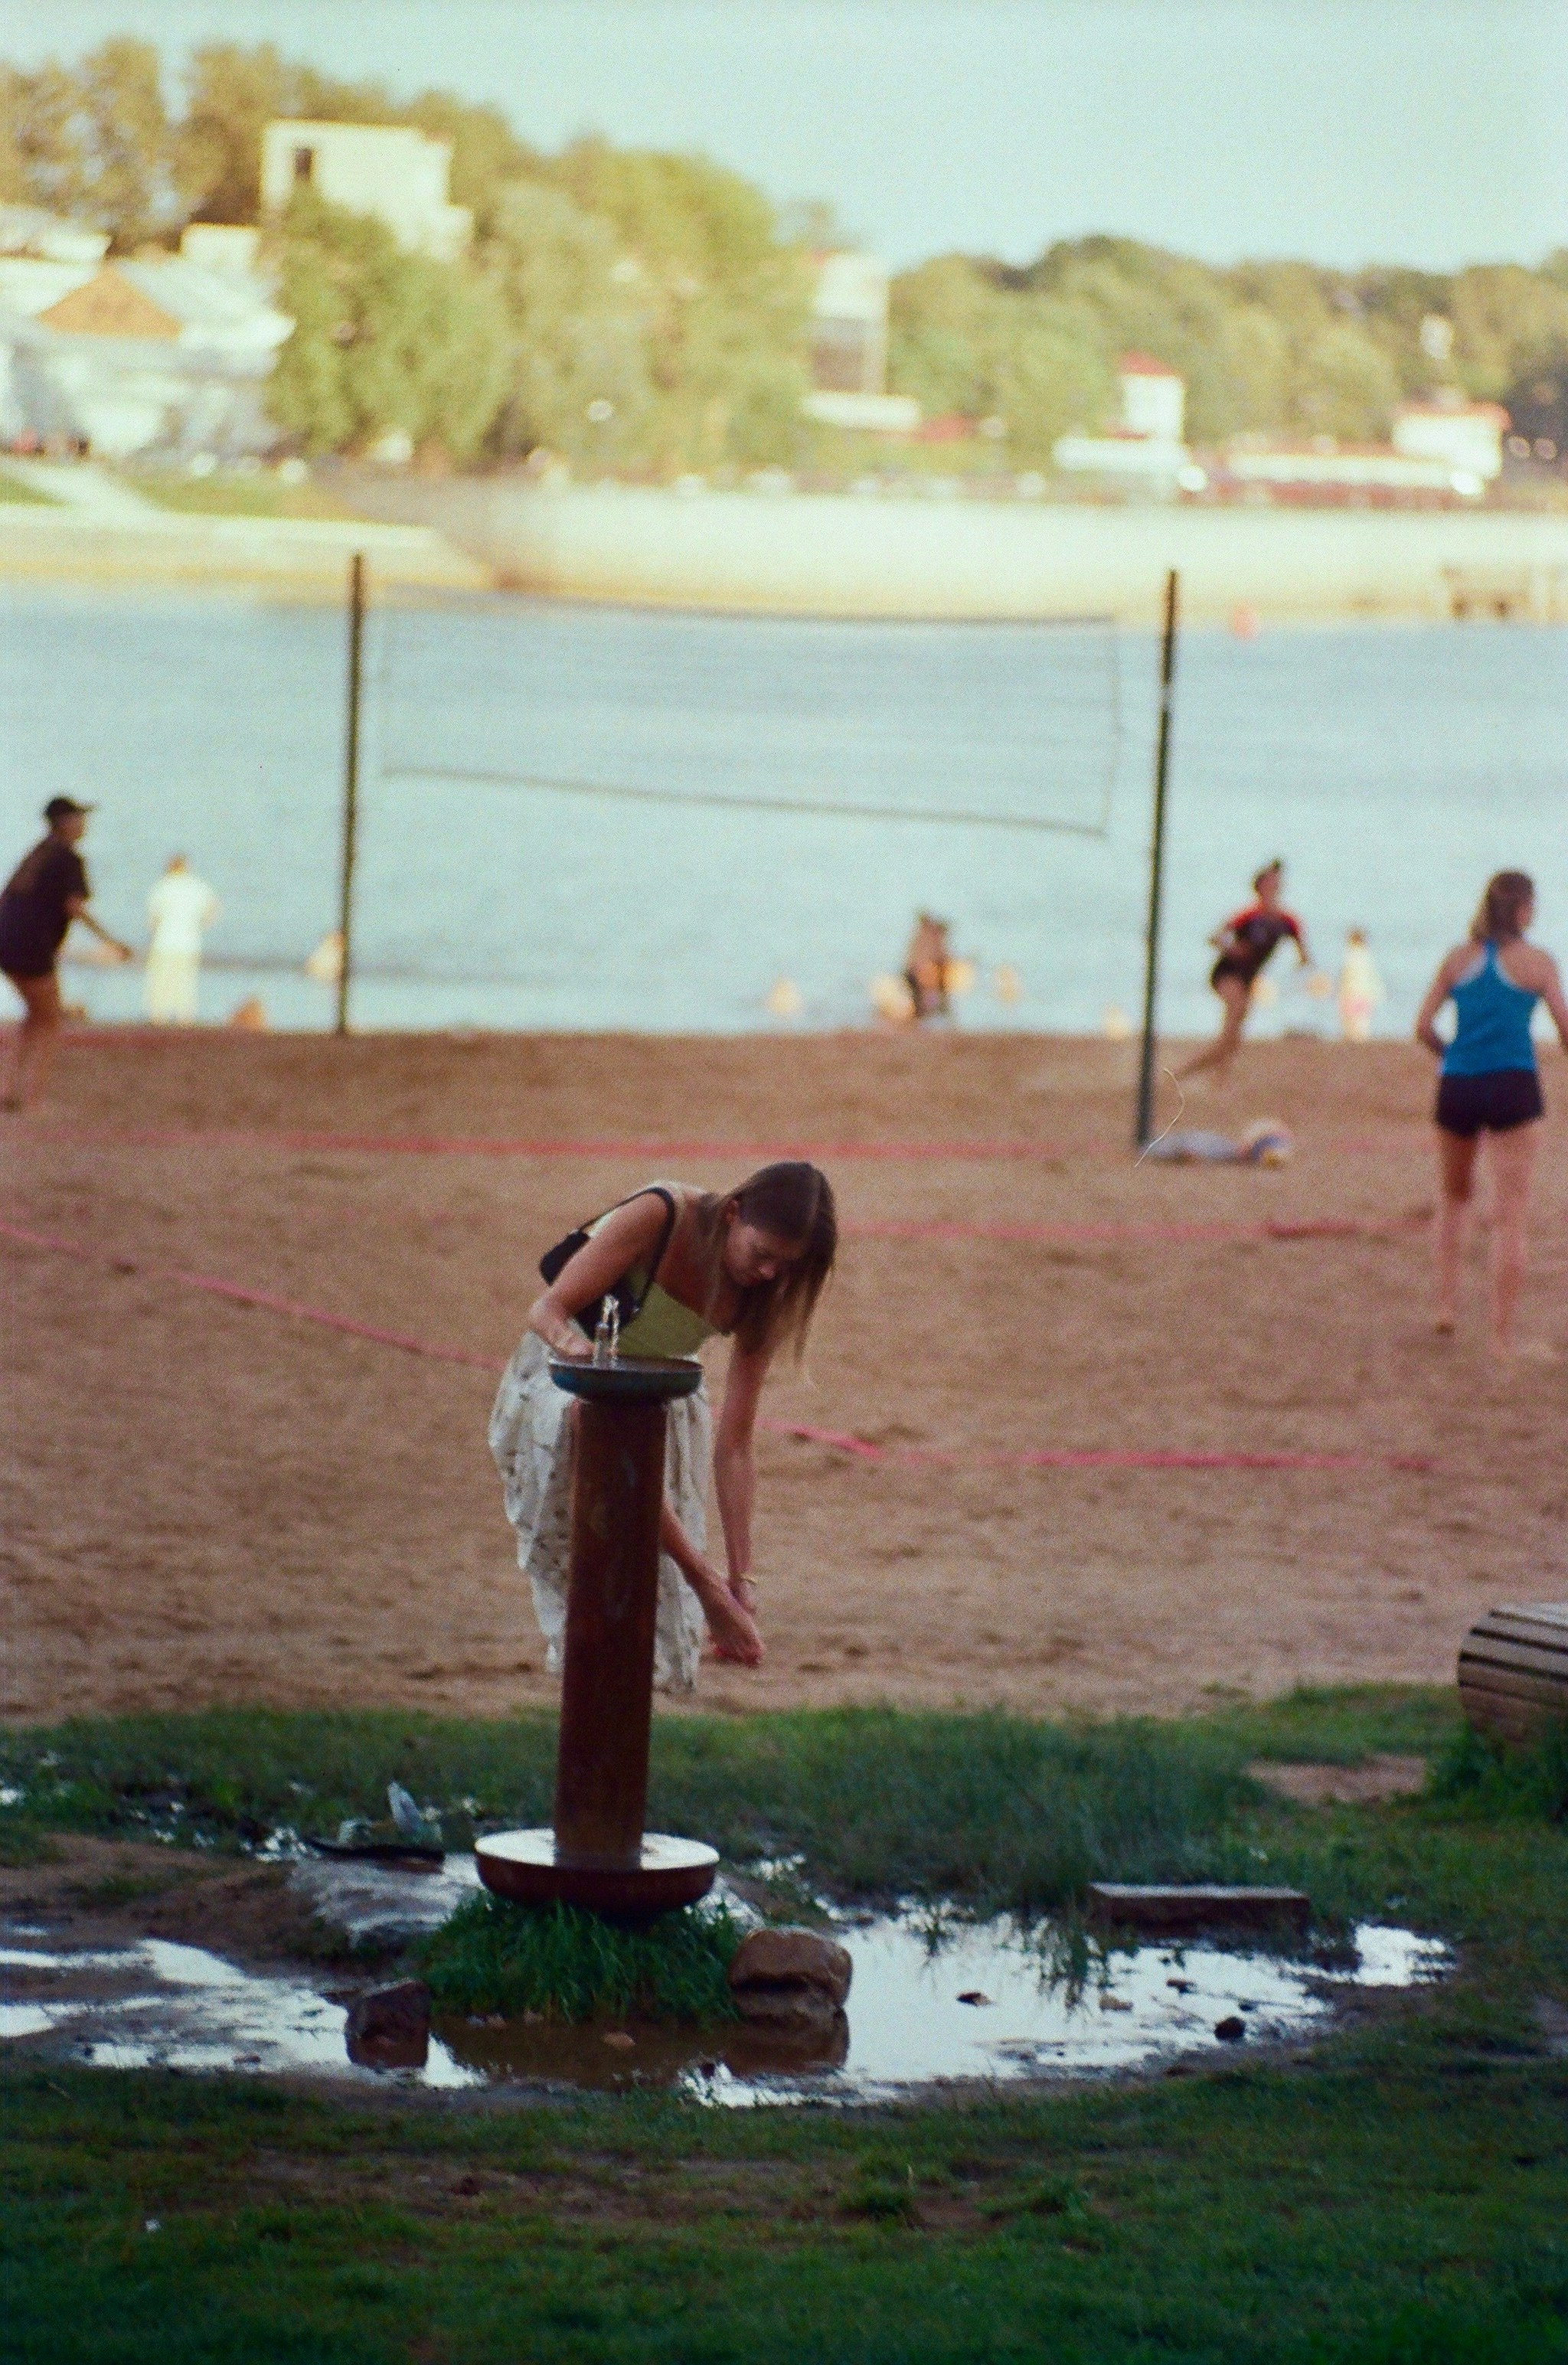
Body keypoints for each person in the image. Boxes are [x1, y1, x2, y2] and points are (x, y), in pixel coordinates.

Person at [489, 1161, 838, 1690]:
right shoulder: (661, 1214)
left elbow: (736, 1447)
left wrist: (742, 1577)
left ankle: (710, 1595)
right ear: (733, 1212)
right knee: (593, 1422)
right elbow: (548, 1309)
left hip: (653, 1396)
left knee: (652, 1602)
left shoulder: (767, 1291)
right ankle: (705, 1589)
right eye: (762, 1253)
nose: (769, 1273)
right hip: (561, 1382)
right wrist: (583, 1358)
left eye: (786, 1266)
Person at [1415, 870, 1568, 1357]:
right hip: (1512, 1087)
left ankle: (1445, 1307)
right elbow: (1565, 1030)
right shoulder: (1538, 963)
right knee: (1510, 1218)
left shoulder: (1458, 959)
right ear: (1522, 908)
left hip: (1460, 1084)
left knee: (1454, 1198)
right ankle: (1501, 1336)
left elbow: (1423, 1027)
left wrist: (1453, 1056)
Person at [0, 796, 132, 1110]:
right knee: (50, 1020)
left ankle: (13, 1089)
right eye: (79, 818)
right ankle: (31, 1099)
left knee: (37, 1017)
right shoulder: (68, 859)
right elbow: (74, 907)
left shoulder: (38, 853)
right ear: (65, 823)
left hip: (7, 943)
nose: (84, 824)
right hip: (31, 946)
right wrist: (111, 942)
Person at [1177, 860, 1313, 1082]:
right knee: (1233, 1022)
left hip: (1249, 978)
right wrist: (1233, 948)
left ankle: (1211, 1076)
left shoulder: (1288, 921)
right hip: (1227, 973)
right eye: (1269, 881)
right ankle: (1185, 1075)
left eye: (1276, 881)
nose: (1274, 885)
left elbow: (1303, 955)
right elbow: (1215, 937)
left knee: (1234, 1036)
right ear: (1260, 887)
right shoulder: (1249, 916)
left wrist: (1302, 967)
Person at [145, 854, 220, 1024]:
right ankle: (185, 1019)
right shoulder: (197, 886)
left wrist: (153, 931)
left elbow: (153, 918)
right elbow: (214, 907)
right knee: (186, 982)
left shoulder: (163, 886)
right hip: (189, 942)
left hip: (164, 941)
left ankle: (159, 1018)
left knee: (161, 982)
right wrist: (202, 924)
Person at [903, 912, 954, 1021]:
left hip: (929, 979)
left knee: (934, 1003)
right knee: (928, 1002)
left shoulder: (929, 939)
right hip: (925, 978)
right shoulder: (926, 939)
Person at [1337, 928, 1384, 1042]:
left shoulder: (1351, 956)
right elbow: (1374, 979)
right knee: (1361, 1025)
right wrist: (1378, 995)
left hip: (1352, 995)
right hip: (1364, 995)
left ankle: (1355, 1046)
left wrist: (1340, 994)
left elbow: (1346, 977)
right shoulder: (1367, 956)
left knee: (1351, 1025)